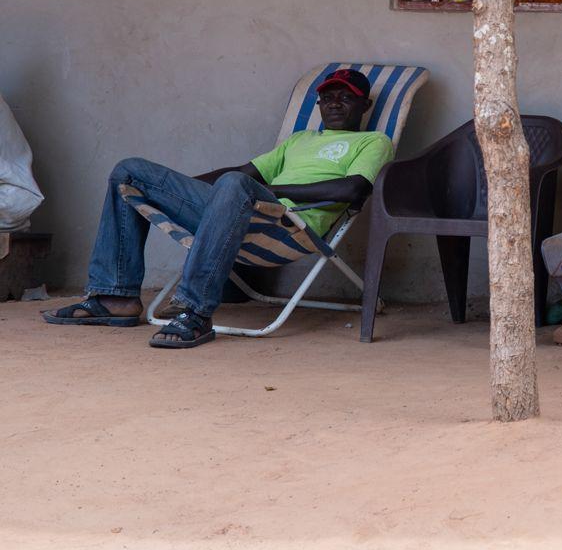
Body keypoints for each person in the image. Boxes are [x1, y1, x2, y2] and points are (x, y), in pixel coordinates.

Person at [43, 68, 393, 349]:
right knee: (130, 170)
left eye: (346, 98)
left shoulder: (374, 141)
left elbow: (354, 188)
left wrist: (266, 191)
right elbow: (243, 174)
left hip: (287, 226)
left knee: (233, 185)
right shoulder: (300, 139)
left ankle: (195, 312)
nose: (334, 104)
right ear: (318, 105)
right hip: (239, 211)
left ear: (364, 106)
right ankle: (114, 296)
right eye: (327, 98)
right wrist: (174, 187)